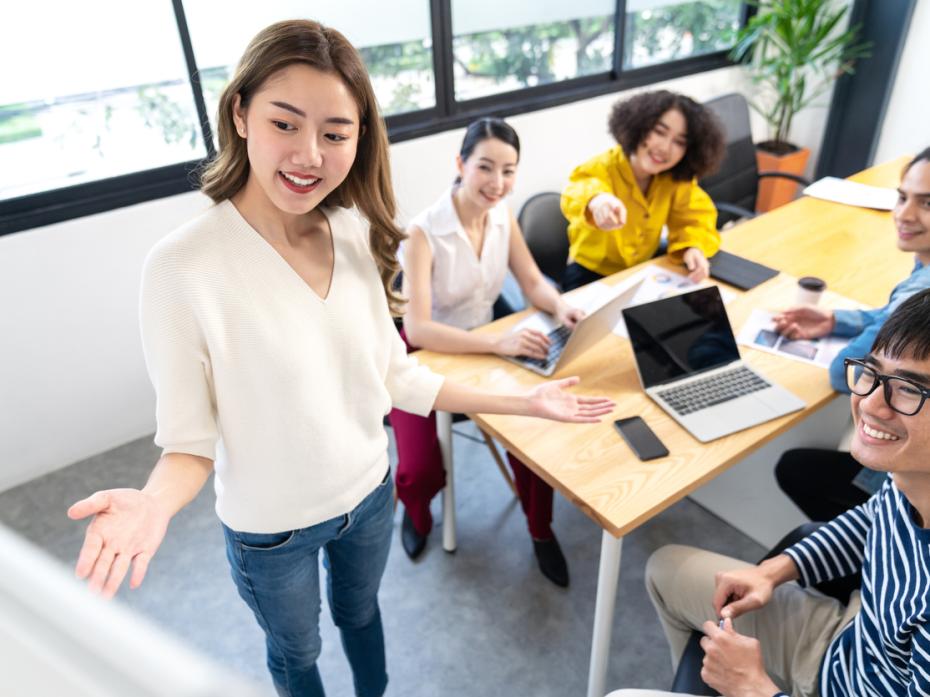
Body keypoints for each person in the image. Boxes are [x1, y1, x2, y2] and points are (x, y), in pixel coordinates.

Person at [65, 20, 614, 697]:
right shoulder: (182, 268)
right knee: (297, 652)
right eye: (285, 123)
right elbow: (189, 443)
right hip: (271, 531)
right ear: (240, 113)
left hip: (369, 494)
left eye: (334, 133)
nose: (310, 155)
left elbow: (398, 375)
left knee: (361, 614)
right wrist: (154, 503)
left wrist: (526, 400)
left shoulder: (355, 231)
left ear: (359, 138)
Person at [609, 288, 930, 697]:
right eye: (872, 372)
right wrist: (774, 570)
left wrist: (753, 688)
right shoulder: (909, 476)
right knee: (665, 569)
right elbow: (872, 520)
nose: (870, 403)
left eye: (909, 389)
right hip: (851, 642)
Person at [390, 117, 585, 587]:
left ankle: (540, 530)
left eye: (509, 171)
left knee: (535, 439)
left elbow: (533, 282)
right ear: (460, 164)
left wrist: (561, 305)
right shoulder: (422, 232)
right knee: (417, 471)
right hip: (423, 354)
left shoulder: (503, 214)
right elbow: (418, 326)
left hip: (487, 346)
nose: (497, 183)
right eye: (485, 168)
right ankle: (416, 516)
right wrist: (497, 342)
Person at [772, 147, 930, 522]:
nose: (904, 215)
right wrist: (836, 321)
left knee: (795, 468)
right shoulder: (922, 265)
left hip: (897, 488)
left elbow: (849, 373)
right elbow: (892, 316)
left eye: (927, 203)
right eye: (902, 196)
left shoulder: (921, 288)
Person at [560, 90, 725, 292]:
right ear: (639, 125)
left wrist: (693, 247)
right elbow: (578, 188)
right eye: (659, 131)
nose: (665, 147)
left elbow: (694, 218)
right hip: (590, 274)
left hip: (642, 270)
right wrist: (598, 201)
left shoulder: (676, 180)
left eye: (680, 142)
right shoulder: (604, 166)